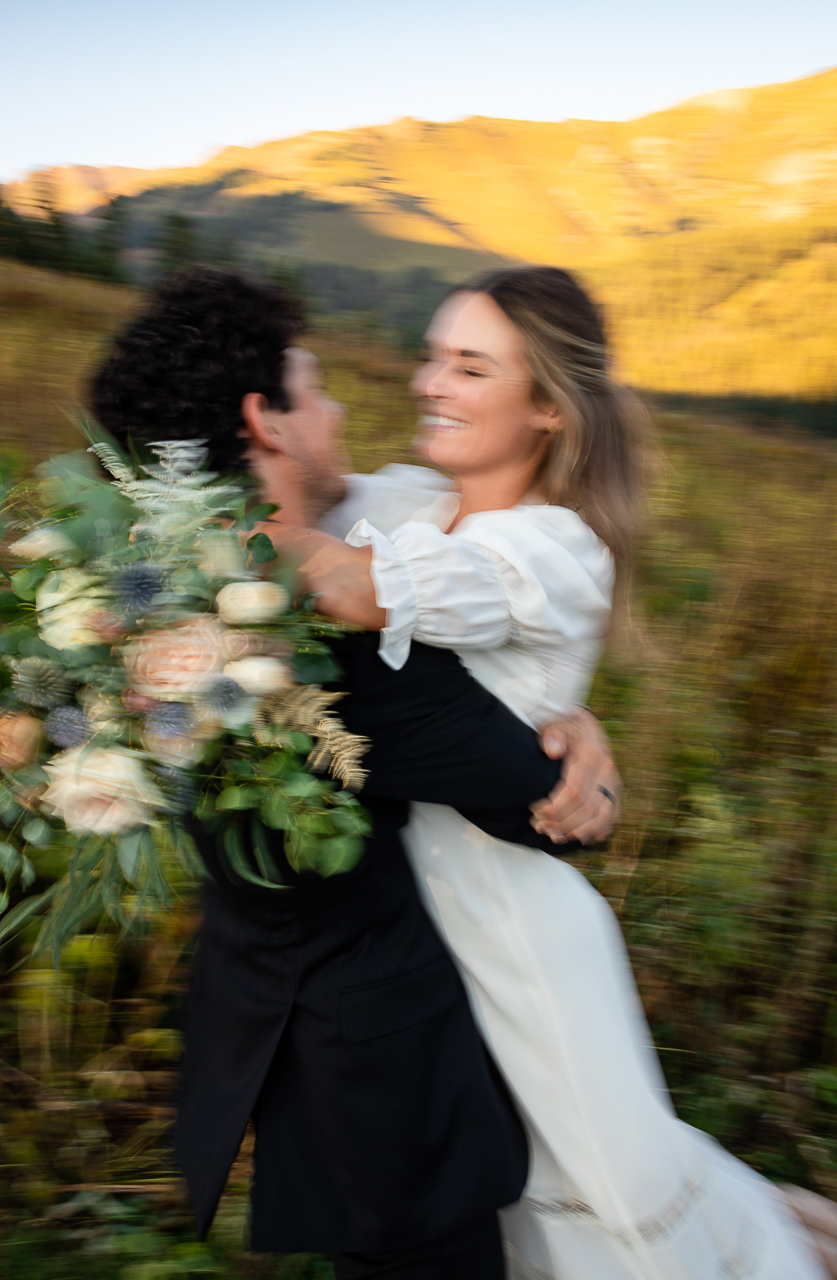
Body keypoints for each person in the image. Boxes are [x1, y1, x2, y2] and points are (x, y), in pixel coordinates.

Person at [255, 268, 829, 1279]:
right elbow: (317, 498)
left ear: (547, 408)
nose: (428, 382)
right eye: (432, 354)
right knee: (503, 1212)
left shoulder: (555, 548)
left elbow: (352, 588)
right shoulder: (412, 496)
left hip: (509, 935)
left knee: (604, 1214)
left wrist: (230, 545)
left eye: (469, 366)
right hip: (410, 935)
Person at [90, 266, 620, 1280]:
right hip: (388, 1079)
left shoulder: (156, 614)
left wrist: (569, 707)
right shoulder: (323, 648)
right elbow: (535, 804)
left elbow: (404, 569)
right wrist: (580, 765)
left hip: (317, 1030)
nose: (372, 399)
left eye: (466, 364)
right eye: (320, 385)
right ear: (268, 421)